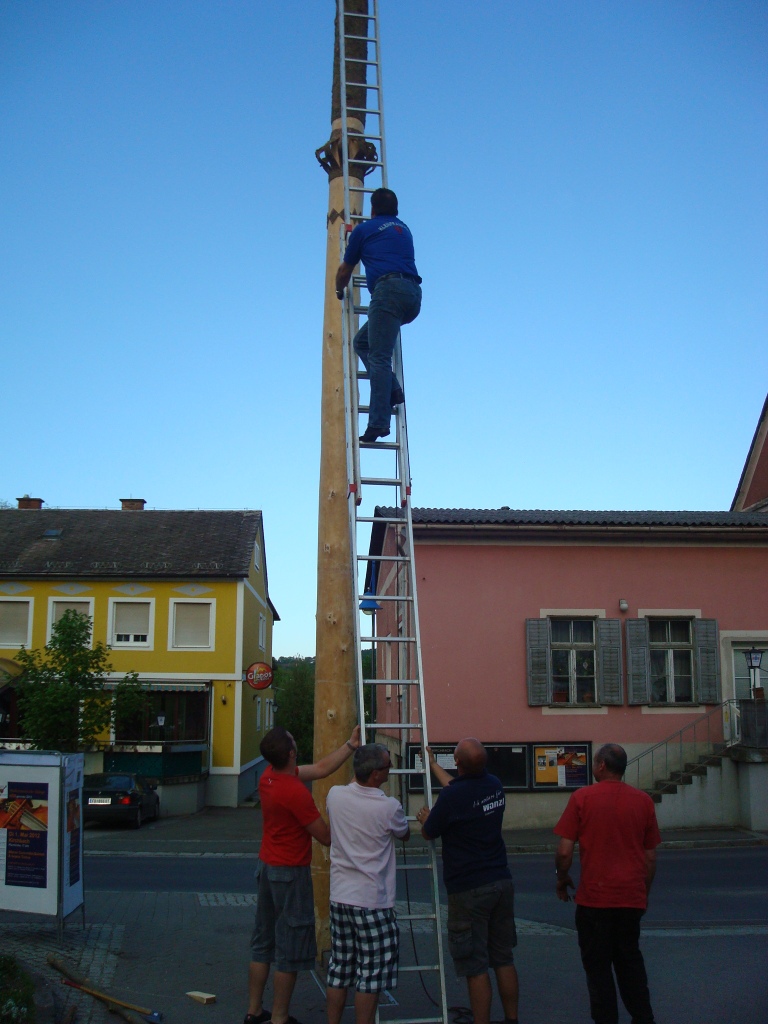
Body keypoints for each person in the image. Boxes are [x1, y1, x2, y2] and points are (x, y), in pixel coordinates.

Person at [245, 723, 361, 1024]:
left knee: (262, 944)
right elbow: (325, 836)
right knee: (290, 950)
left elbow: (321, 769)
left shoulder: (269, 776)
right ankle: (279, 1018)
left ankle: (254, 1011)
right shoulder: (295, 792)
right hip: (290, 873)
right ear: (291, 753)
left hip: (267, 868)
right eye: (293, 739)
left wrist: (350, 746)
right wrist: (351, 804)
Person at [554, 743, 661, 1024]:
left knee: (598, 970)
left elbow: (564, 852)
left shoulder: (582, 797)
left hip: (594, 901)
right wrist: (643, 894)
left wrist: (562, 878)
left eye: (594, 762)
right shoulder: (643, 801)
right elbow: (650, 857)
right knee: (630, 963)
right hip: (630, 900)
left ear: (601, 766)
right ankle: (643, 1017)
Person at [417, 739, 520, 1024]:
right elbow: (458, 789)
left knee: (475, 965)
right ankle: (512, 1019)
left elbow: (429, 832)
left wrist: (426, 819)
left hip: (469, 888)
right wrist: (433, 765)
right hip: (501, 880)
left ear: (457, 763)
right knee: (503, 958)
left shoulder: (453, 797)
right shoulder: (494, 785)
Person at [325, 744, 410, 1024]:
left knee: (339, 968)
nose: (390, 770)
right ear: (375, 774)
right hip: (372, 901)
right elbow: (404, 833)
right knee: (371, 975)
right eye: (387, 766)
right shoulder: (388, 807)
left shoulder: (334, 795)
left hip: (340, 897)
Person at [335, 187, 422, 444]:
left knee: (379, 357)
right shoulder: (403, 228)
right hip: (412, 296)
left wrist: (339, 289)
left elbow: (345, 271)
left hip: (388, 292)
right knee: (362, 343)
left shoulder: (364, 230)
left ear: (372, 209)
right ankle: (392, 388)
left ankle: (378, 423)